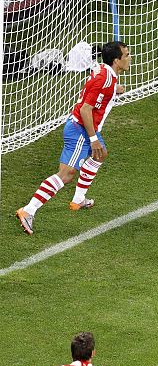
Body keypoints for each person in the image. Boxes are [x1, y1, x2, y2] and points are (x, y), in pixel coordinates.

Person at [16, 41, 131, 235]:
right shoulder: (104, 79)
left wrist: (114, 90)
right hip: (80, 130)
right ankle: (28, 210)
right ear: (116, 60)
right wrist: (93, 138)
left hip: (86, 128)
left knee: (100, 155)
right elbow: (86, 109)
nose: (130, 58)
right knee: (66, 174)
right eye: (126, 55)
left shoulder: (105, 73)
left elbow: (97, 89)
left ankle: (78, 199)